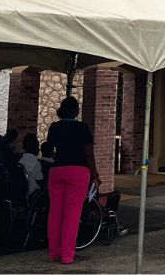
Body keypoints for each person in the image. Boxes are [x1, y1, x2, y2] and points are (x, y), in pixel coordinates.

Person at [45, 97, 98, 265]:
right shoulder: (82, 128)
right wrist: (95, 173)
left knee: (55, 213)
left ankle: (54, 253)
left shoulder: (54, 127)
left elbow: (49, 147)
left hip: (57, 170)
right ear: (76, 111)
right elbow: (88, 153)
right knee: (72, 215)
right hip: (78, 171)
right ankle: (68, 255)